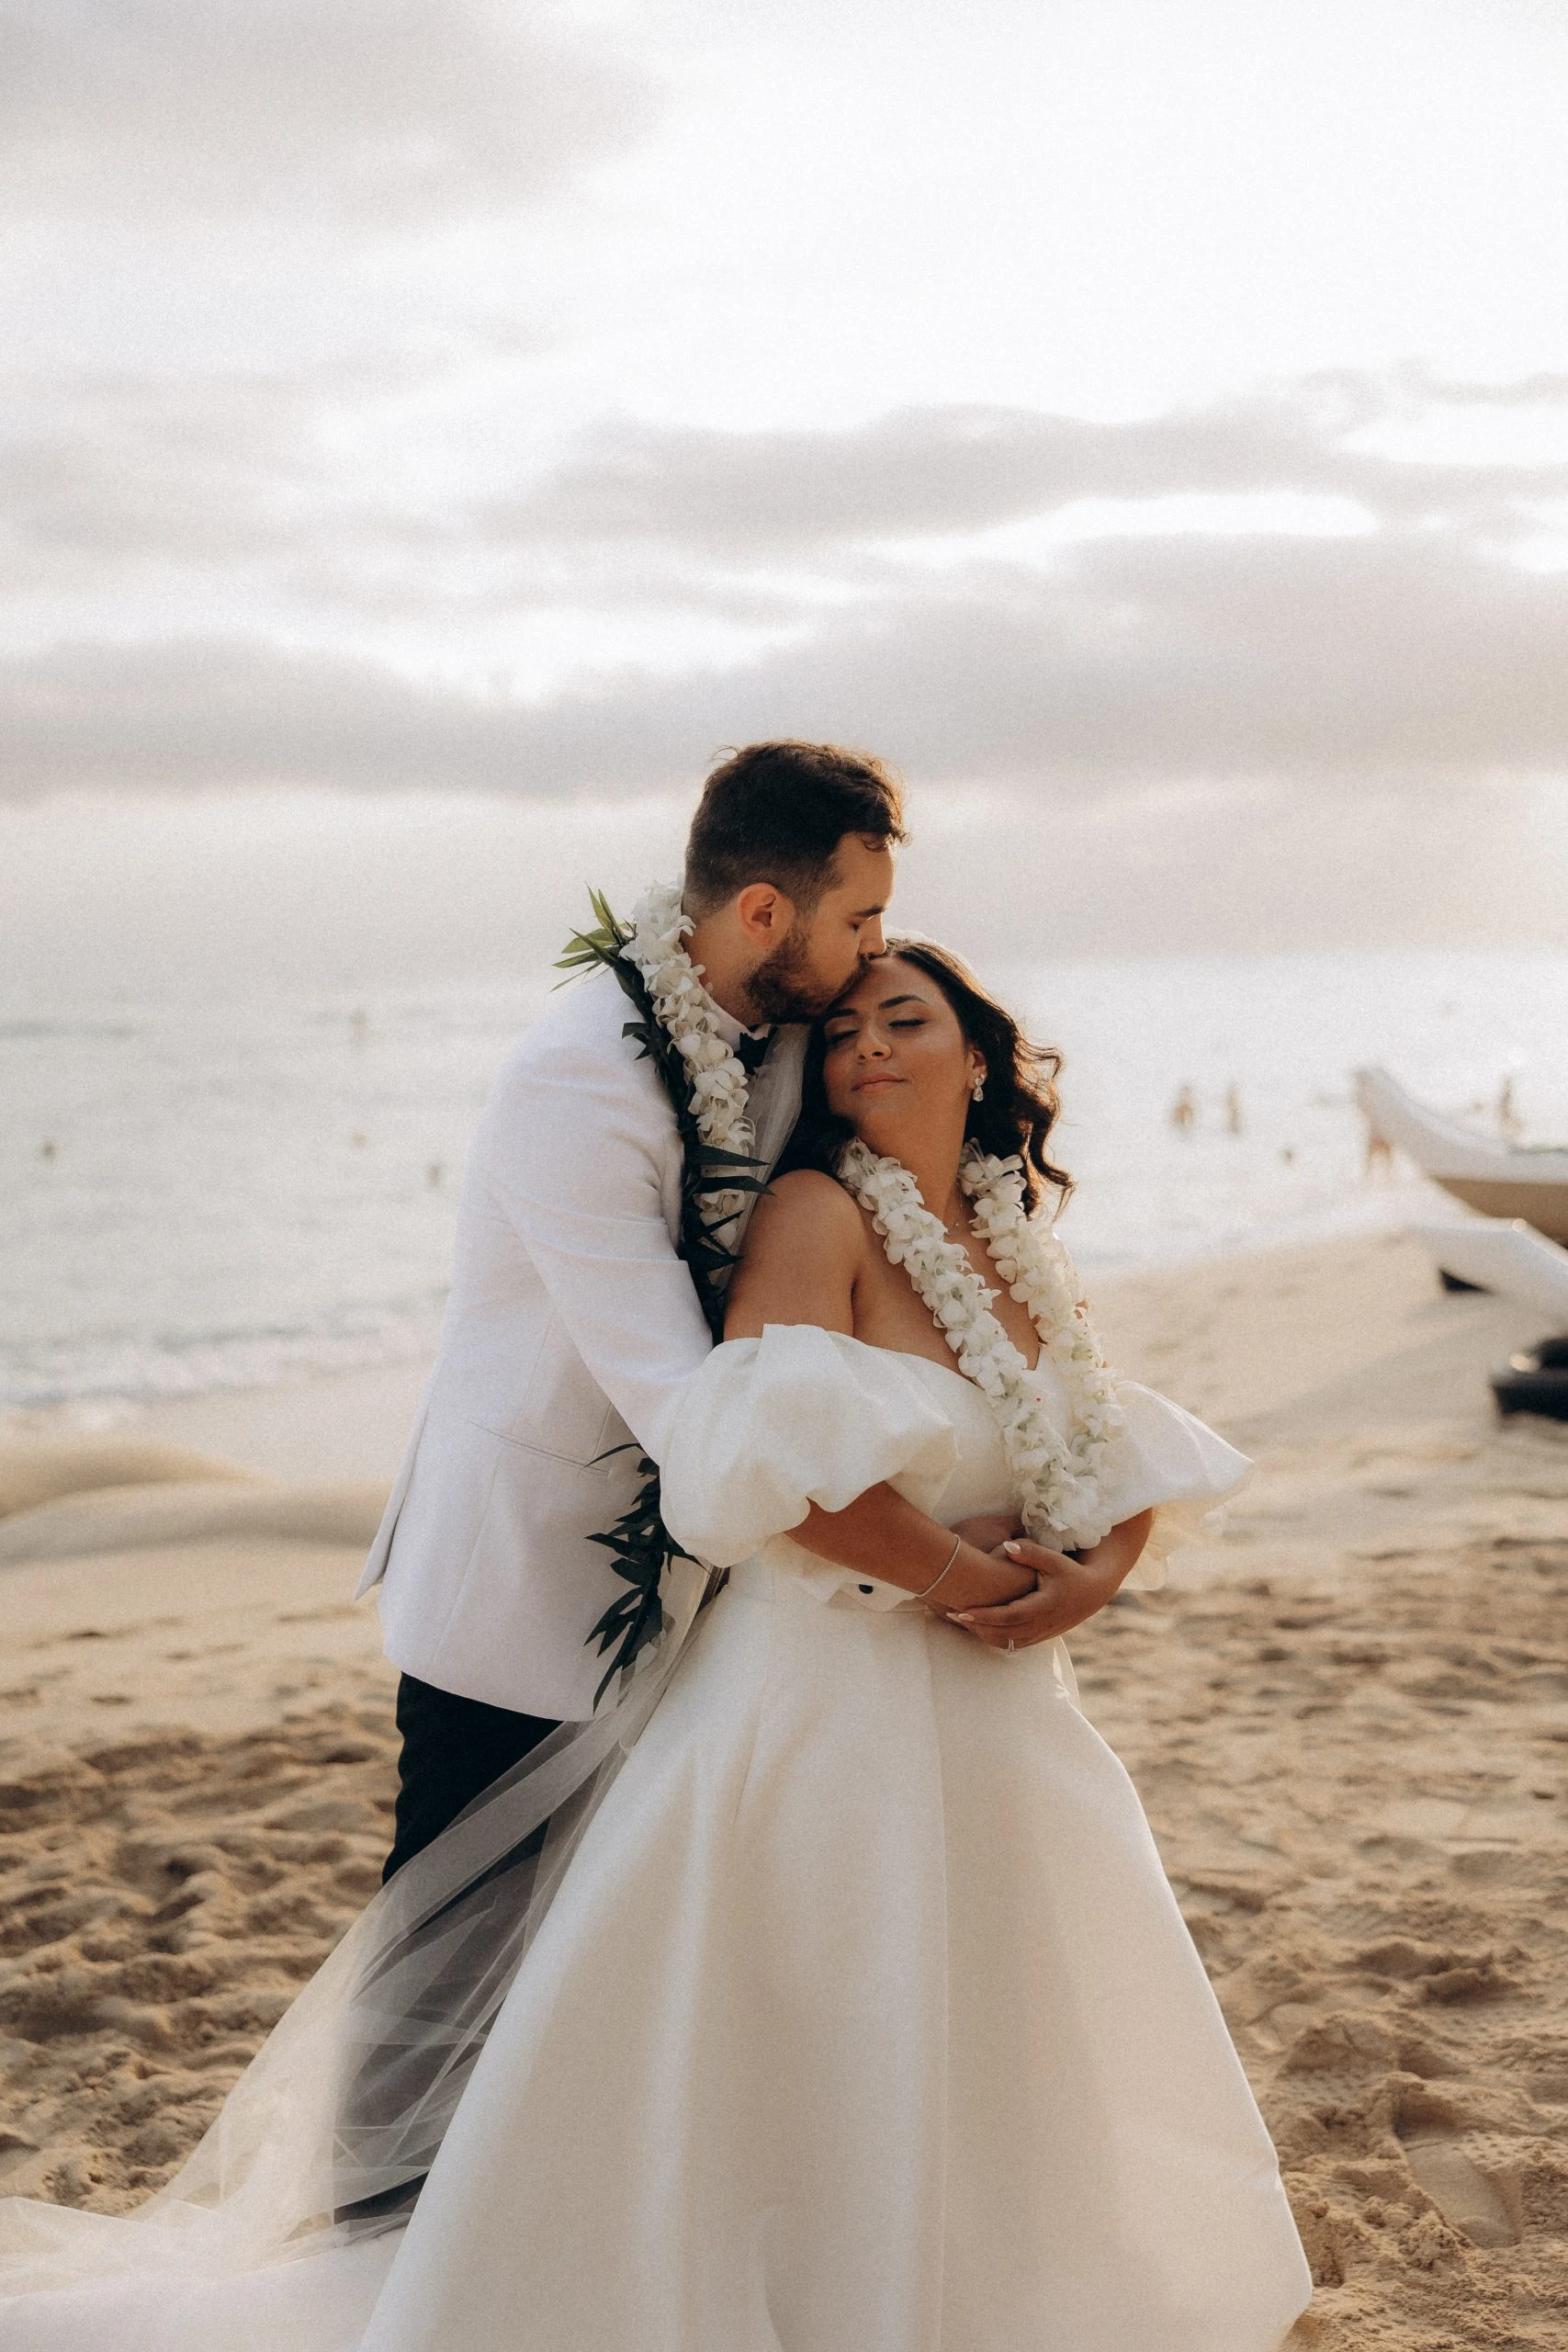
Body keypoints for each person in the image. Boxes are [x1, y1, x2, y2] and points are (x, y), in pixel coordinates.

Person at [0, 922, 1312, 2348]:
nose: (869, 1046)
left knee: (988, 2017)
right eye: (851, 1029)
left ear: (981, 1054)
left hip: (1000, 1710)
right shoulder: (817, 1214)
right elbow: (761, 1476)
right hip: (830, 1699)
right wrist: (953, 1580)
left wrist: (1092, 1577)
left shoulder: (1013, 1240)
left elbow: (1101, 1443)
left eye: (907, 1020)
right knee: (824, 2021)